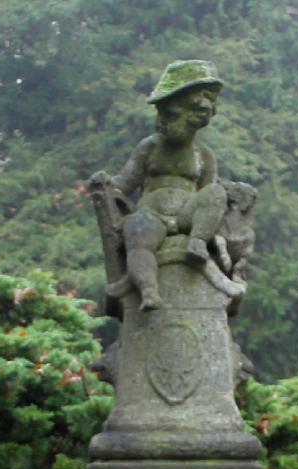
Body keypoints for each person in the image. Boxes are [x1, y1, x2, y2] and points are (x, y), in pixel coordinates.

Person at [109, 60, 228, 311]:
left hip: (186, 218)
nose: (163, 123)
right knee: (137, 233)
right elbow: (124, 182)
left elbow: (209, 195)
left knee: (216, 192)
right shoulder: (149, 147)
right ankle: (149, 291)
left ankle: (197, 241)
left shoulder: (203, 155)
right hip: (152, 215)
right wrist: (106, 187)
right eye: (163, 115)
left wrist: (204, 231)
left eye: (170, 116)